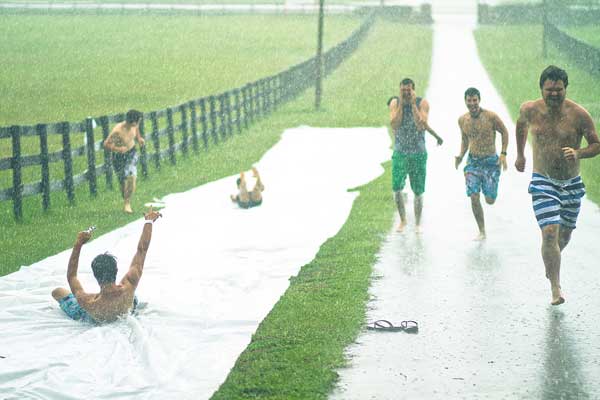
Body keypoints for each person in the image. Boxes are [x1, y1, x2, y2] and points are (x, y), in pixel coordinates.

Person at [515, 65, 600, 305]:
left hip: (571, 183)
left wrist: (578, 152)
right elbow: (520, 127)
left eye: (558, 90)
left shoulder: (579, 114)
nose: (554, 94)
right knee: (549, 232)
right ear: (541, 89)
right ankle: (556, 287)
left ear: (565, 88)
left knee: (564, 235)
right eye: (549, 89)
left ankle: (551, 263)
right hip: (543, 180)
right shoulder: (529, 110)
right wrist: (520, 155)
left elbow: (596, 145)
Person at [51, 208, 162, 323]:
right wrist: (149, 222)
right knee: (134, 298)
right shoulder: (130, 285)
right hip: (126, 306)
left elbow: (72, 276)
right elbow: (142, 250)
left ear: (95, 275)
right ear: (116, 270)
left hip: (97, 315)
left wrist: (78, 244)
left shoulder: (88, 302)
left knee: (58, 291)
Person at [388, 78, 441, 232]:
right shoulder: (394, 103)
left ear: (413, 90)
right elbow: (395, 124)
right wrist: (401, 106)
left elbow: (421, 125)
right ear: (399, 90)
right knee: (396, 187)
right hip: (400, 151)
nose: (405, 93)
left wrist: (412, 105)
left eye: (408, 90)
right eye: (403, 90)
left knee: (418, 190)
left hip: (418, 152)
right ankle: (403, 220)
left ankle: (417, 223)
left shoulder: (422, 103)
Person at [455, 87, 509, 240]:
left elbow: (504, 132)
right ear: (465, 101)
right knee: (473, 196)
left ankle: (490, 190)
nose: (472, 103)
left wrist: (503, 153)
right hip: (473, 162)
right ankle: (482, 231)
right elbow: (465, 140)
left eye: (474, 100)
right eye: (469, 100)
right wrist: (460, 156)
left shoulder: (491, 116)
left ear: (479, 100)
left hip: (491, 162)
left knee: (490, 200)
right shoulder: (462, 120)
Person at [103, 109, 145, 213]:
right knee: (123, 183)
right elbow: (106, 144)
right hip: (119, 157)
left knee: (131, 177)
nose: (138, 123)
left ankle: (127, 203)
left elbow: (136, 129)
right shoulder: (118, 130)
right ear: (133, 121)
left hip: (131, 153)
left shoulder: (134, 125)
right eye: (138, 121)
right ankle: (126, 200)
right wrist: (118, 149)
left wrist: (139, 138)